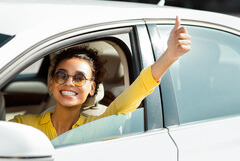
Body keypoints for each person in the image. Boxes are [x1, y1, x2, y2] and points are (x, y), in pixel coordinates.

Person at [10, 16, 191, 140]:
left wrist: (170, 56)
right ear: (51, 83)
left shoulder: (95, 128)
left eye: (79, 78)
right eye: (61, 75)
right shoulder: (23, 124)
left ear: (92, 88)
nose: (69, 82)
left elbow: (139, 88)